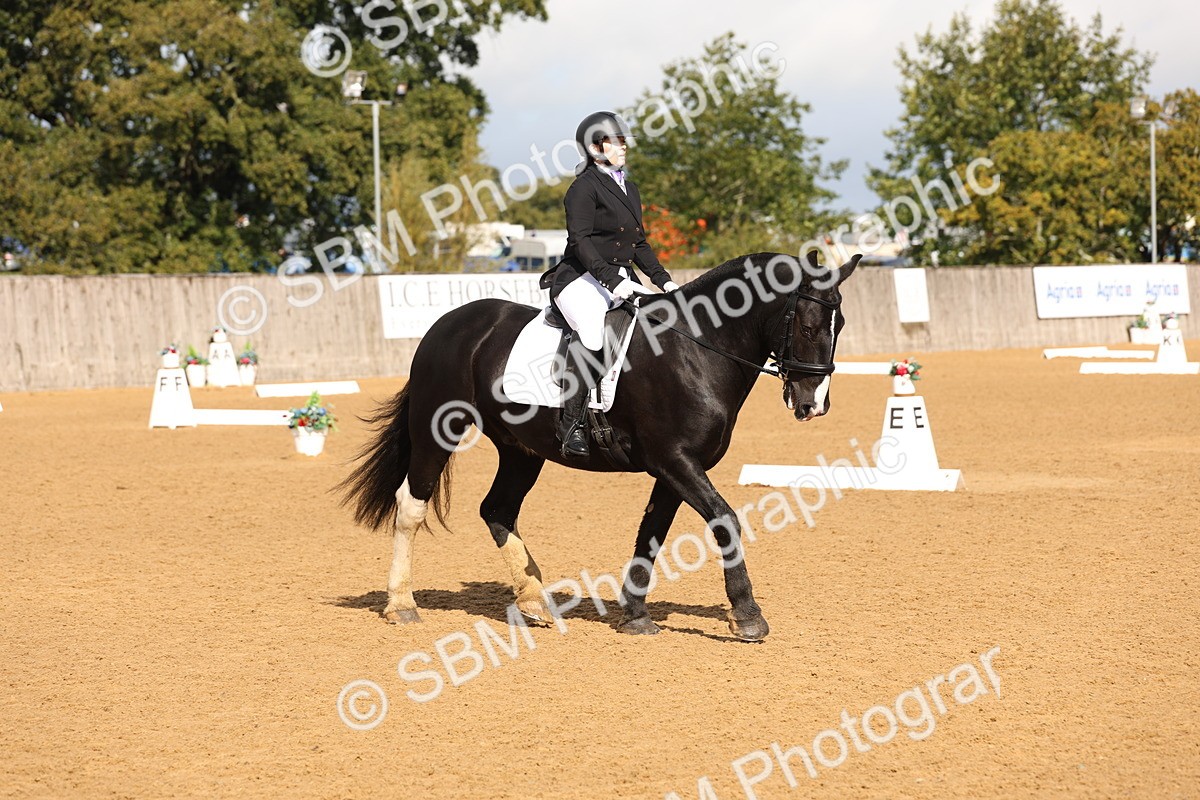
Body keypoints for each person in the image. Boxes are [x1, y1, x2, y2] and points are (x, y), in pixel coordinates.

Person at [541, 111, 679, 458]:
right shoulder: (582, 189)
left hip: (620, 279)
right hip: (580, 278)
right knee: (590, 329)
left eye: (623, 141)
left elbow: (639, 245)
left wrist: (665, 282)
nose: (623, 147)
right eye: (616, 142)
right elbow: (582, 241)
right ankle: (569, 424)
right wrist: (611, 280)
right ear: (594, 147)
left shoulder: (629, 189)